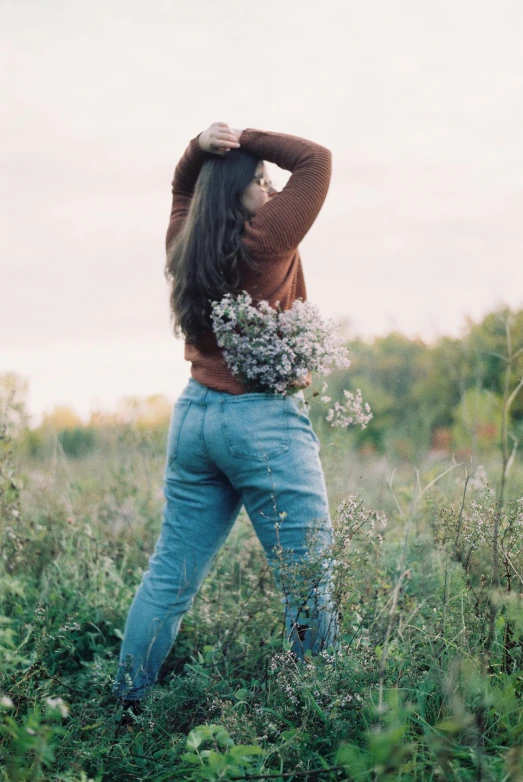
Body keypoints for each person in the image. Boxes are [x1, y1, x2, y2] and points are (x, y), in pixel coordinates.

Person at [113, 122, 339, 705]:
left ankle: (127, 703)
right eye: (259, 182)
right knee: (309, 578)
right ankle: (318, 711)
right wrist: (245, 139)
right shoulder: (264, 241)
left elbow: (182, 190)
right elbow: (315, 160)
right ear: (237, 195)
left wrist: (199, 150)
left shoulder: (183, 241)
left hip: (194, 417)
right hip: (263, 421)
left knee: (170, 576)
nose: (269, 190)